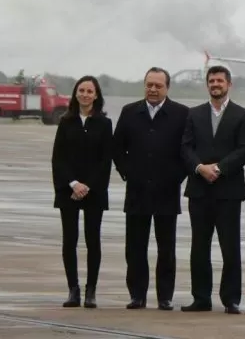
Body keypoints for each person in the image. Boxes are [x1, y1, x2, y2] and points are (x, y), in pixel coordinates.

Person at [112, 67, 190, 311]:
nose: (153, 90)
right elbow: (117, 148)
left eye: (158, 85)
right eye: (149, 85)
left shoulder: (181, 114)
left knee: (166, 248)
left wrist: (176, 176)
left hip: (167, 190)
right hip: (137, 191)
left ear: (167, 87)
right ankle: (137, 295)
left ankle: (165, 296)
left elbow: (187, 151)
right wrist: (128, 172)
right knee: (135, 247)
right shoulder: (129, 112)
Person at [180, 65, 245, 314]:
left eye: (220, 81)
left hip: (228, 191)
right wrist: (200, 168)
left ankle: (231, 298)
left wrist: (219, 169)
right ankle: (201, 297)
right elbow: (185, 148)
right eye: (211, 80)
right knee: (199, 246)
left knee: (230, 246)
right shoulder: (194, 114)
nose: (215, 84)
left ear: (229, 84)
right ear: (207, 84)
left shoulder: (243, 114)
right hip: (199, 190)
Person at [50, 75, 113, 309]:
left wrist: (88, 185)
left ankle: (91, 291)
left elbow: (105, 160)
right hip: (69, 190)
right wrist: (73, 183)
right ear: (76, 93)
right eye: (81, 90)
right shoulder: (66, 122)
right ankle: (73, 289)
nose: (85, 94)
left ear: (96, 95)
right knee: (70, 240)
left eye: (90, 91)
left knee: (92, 240)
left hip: (93, 191)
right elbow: (58, 158)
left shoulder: (104, 124)